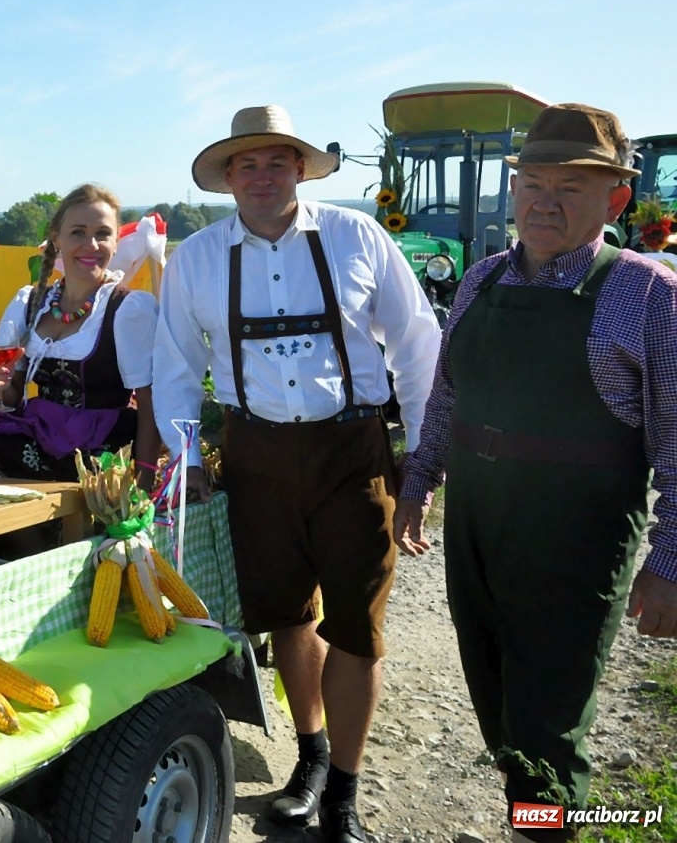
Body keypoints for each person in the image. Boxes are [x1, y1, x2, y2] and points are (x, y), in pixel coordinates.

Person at [152, 106, 441, 843]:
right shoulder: (197, 257)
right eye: (246, 164)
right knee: (286, 613)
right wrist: (188, 461)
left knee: (358, 624)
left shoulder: (357, 236)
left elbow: (416, 343)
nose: (262, 174)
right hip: (256, 453)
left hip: (353, 450)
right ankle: (309, 755)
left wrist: (424, 458)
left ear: (302, 168)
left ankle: (343, 790)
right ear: (226, 179)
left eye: (277, 160)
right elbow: (177, 367)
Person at [395, 103, 677, 834]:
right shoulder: (482, 279)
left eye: (571, 188)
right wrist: (419, 478)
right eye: (533, 183)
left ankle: (543, 826)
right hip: (476, 535)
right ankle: (533, 820)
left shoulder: (648, 295)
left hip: (574, 550)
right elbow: (449, 392)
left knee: (547, 737)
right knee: (498, 713)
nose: (544, 201)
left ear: (615, 198)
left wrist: (671, 560)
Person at [0, 184, 161, 480]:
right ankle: (16, 515)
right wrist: (0, 385)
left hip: (95, 439)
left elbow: (150, 402)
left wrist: (144, 479)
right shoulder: (33, 303)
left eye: (102, 233)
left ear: (116, 241)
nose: (91, 244)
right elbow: (12, 399)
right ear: (57, 239)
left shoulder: (128, 309)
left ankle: (36, 524)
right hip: (44, 423)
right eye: (78, 232)